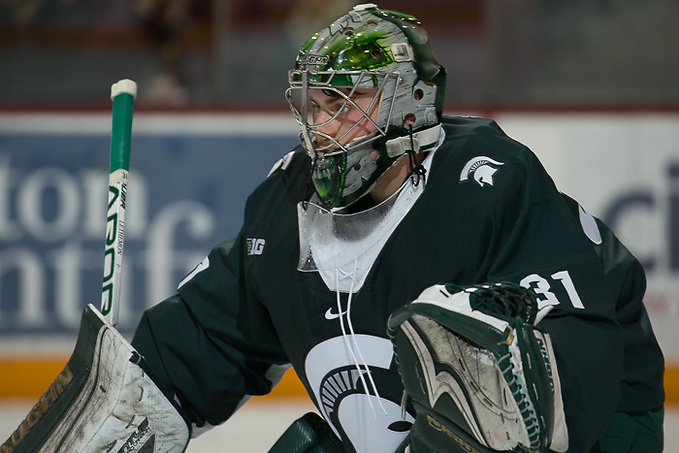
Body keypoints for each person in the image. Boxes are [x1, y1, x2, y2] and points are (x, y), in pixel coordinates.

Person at [126, 3, 665, 452]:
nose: (322, 125)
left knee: (460, 335)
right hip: (412, 437)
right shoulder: (285, 201)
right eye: (313, 105)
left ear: (411, 104)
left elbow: (562, 369)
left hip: (596, 432)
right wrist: (131, 394)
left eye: (344, 101)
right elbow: (207, 334)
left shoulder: (486, 184)